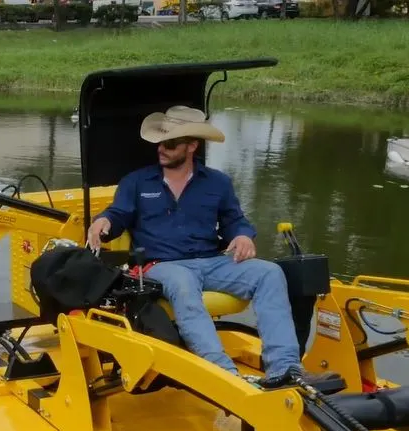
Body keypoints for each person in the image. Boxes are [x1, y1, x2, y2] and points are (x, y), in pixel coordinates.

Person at [86, 105, 340, 390]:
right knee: (182, 284)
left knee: (269, 273)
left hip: (211, 261)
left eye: (170, 144)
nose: (162, 149)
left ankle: (286, 369)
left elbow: (235, 220)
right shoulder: (136, 182)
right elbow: (118, 214)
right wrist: (102, 222)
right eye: (160, 142)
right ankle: (223, 375)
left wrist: (243, 236)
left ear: (192, 146)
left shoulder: (218, 183)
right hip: (163, 265)